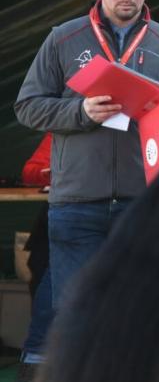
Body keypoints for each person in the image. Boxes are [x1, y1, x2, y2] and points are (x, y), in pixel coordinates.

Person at [14, 0, 159, 379]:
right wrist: (78, 112)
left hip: (145, 206)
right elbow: (27, 106)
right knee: (76, 317)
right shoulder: (64, 39)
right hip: (77, 203)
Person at [15, 134, 52, 382]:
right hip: (63, 211)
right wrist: (46, 173)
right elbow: (30, 171)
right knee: (41, 264)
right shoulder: (66, 121)